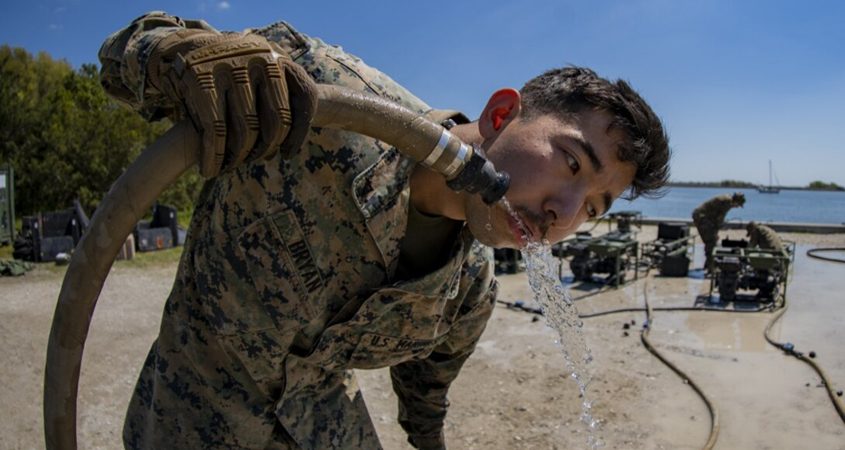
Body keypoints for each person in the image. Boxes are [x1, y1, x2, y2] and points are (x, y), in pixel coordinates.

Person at [99, 11, 671, 449]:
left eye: (593, 208)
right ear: (501, 116)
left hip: (323, 429)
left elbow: (426, 400)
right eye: (571, 163)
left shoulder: (468, 293)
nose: (563, 215)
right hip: (184, 420)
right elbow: (126, 52)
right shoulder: (327, 101)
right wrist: (182, 56)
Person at [692, 192, 745, 273]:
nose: (737, 207)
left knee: (712, 240)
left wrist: (716, 229)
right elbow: (720, 218)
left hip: (703, 217)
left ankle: (708, 265)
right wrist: (719, 227)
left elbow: (716, 217)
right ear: (736, 201)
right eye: (738, 205)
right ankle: (711, 268)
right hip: (702, 218)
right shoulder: (727, 202)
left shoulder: (726, 199)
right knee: (711, 242)